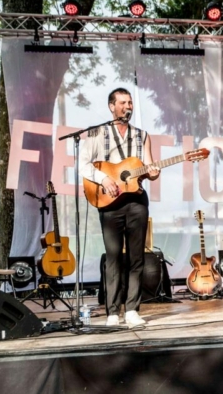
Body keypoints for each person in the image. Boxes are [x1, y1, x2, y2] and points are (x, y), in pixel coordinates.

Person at [81, 88, 160, 326]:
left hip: (136, 201)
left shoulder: (142, 135)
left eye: (131, 102)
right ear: (111, 106)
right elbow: (82, 165)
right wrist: (103, 178)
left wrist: (153, 172)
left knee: (136, 257)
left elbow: (149, 166)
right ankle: (113, 312)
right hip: (109, 202)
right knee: (113, 257)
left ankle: (133, 309)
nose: (128, 106)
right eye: (123, 102)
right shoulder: (96, 133)